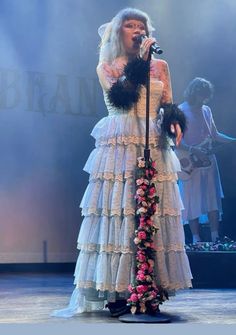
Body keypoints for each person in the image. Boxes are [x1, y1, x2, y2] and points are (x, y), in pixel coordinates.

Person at [52, 7, 192, 318]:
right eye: (130, 25)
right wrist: (140, 65)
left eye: (141, 25)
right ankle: (118, 292)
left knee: (151, 213)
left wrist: (173, 121)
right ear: (119, 32)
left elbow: (167, 102)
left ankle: (149, 288)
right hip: (119, 142)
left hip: (152, 142)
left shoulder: (161, 66)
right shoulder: (106, 66)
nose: (136, 30)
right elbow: (121, 98)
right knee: (121, 212)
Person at [177, 77, 236, 244]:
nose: (203, 100)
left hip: (208, 160)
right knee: (191, 198)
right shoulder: (180, 111)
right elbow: (176, 141)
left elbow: (214, 134)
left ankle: (215, 237)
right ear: (193, 93)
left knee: (213, 197)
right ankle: (196, 239)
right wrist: (193, 150)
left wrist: (233, 140)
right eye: (201, 96)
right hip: (190, 161)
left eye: (205, 97)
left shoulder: (207, 110)